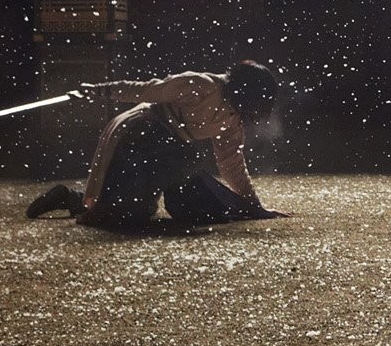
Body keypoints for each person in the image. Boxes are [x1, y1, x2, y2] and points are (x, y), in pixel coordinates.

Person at [26, 61, 287, 228]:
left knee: (199, 207)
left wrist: (254, 205)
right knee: (124, 213)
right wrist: (98, 90)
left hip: (171, 153)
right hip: (142, 137)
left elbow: (232, 163)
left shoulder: (233, 120)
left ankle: (79, 199)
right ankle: (72, 198)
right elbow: (145, 91)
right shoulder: (201, 85)